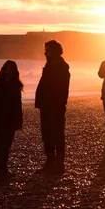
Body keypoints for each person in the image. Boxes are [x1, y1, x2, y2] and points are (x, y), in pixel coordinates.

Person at [35, 40, 70, 175]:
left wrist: (59, 103)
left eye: (48, 50)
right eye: (45, 50)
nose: (45, 53)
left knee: (56, 134)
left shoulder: (61, 66)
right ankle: (50, 161)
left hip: (54, 106)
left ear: (55, 51)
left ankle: (57, 163)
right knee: (47, 134)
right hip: (47, 105)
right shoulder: (50, 64)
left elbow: (62, 88)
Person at [0, 60, 23, 179]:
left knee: (6, 146)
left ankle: (2, 169)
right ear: (4, 70)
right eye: (8, 68)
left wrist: (19, 120)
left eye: (13, 69)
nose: (10, 71)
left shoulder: (16, 85)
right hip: (1, 120)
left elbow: (18, 105)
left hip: (11, 120)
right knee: (0, 145)